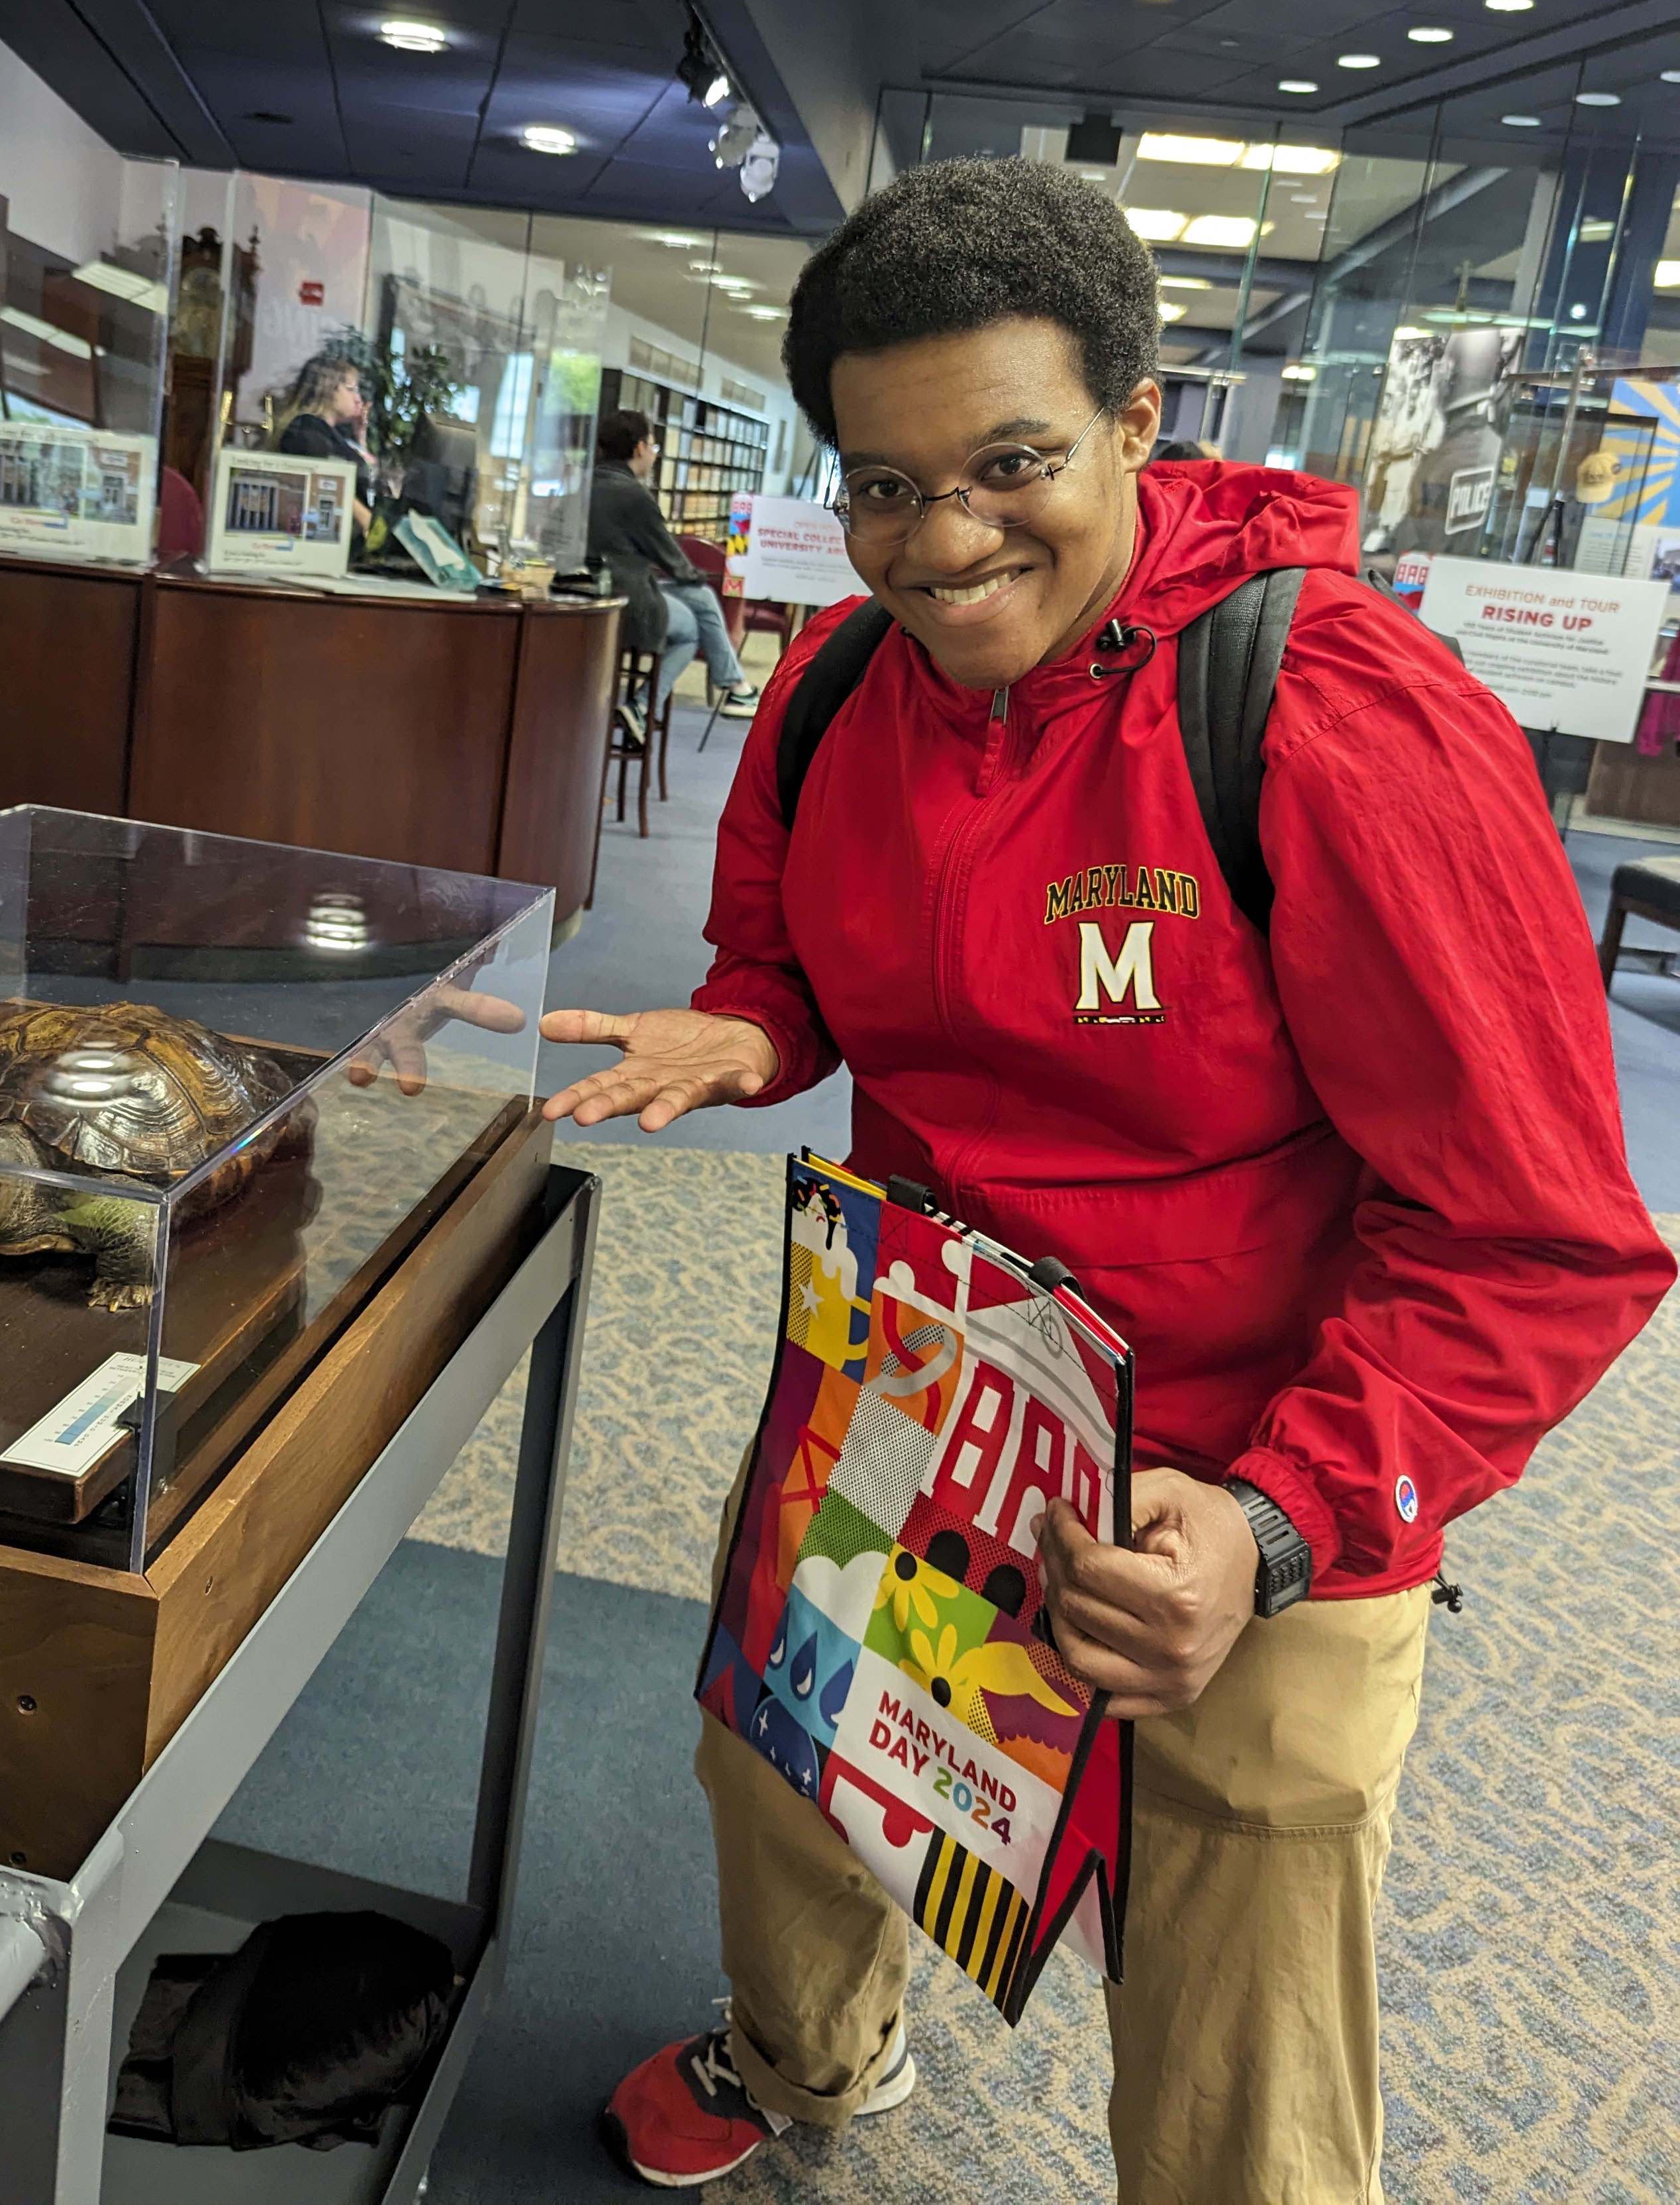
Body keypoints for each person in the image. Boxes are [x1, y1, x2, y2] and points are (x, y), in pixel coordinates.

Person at [540, 156, 1670, 2202]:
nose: (941, 540)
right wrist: (753, 1029)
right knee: (788, 1768)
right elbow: (789, 952)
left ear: (1141, 425)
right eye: (881, 485)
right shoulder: (826, 694)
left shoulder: (1330, 717)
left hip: (1258, 1467)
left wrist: (1285, 1518)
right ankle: (809, 2056)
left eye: (1008, 463)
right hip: (926, 1385)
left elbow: (1540, 1236)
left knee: (1237, 2007)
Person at [589, 409, 759, 735]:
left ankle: (736, 687)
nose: (653, 456)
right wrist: (696, 574)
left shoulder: (585, 485)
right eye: (653, 447)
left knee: (700, 597)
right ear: (639, 448)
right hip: (627, 602)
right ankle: (642, 706)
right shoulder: (635, 496)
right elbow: (670, 557)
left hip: (589, 592)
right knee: (690, 628)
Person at [279, 330, 377, 534]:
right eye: (351, 389)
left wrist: (360, 436)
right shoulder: (308, 429)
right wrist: (371, 527)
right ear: (329, 390)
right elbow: (329, 482)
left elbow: (360, 478)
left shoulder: (334, 433)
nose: (358, 399)